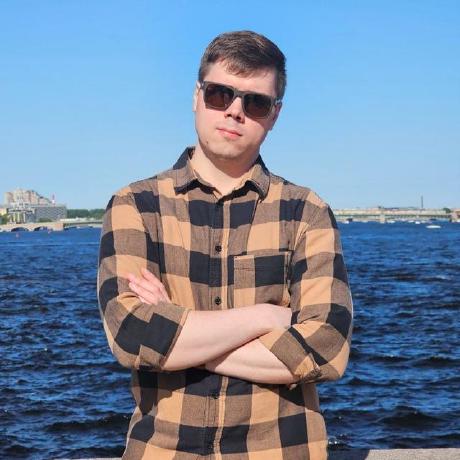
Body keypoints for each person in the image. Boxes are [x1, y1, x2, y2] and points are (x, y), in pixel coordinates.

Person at [97, 30, 353, 460]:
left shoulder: (306, 212)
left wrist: (178, 334)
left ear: (274, 115)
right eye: (220, 94)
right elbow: (132, 336)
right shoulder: (135, 205)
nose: (235, 111)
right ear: (196, 96)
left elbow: (326, 348)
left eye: (255, 103)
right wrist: (265, 317)